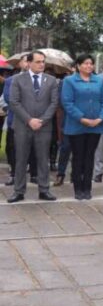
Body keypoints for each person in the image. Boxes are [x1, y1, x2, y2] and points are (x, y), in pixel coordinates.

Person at [6, 51, 60, 203]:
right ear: (29, 63)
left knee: (43, 159)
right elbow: (14, 102)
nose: (41, 64)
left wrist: (42, 120)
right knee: (21, 159)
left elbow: (54, 103)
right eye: (38, 61)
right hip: (23, 126)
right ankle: (18, 191)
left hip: (44, 127)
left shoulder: (51, 81)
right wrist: (29, 120)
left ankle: (44, 190)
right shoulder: (17, 80)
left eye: (43, 61)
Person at [59, 54, 103, 200]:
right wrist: (82, 118)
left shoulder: (99, 81)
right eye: (85, 63)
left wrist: (100, 118)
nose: (89, 66)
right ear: (79, 66)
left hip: (96, 125)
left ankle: (87, 188)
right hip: (77, 125)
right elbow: (67, 103)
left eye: (91, 64)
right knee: (78, 157)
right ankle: (78, 188)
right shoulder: (69, 81)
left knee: (89, 157)